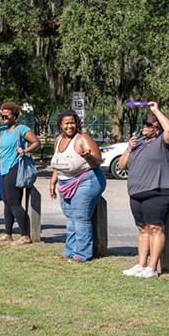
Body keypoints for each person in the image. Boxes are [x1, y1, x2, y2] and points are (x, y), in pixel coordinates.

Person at [117, 101, 169, 278]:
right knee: (142, 228)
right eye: (145, 124)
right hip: (137, 191)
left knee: (155, 227)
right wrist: (129, 149)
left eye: (150, 124)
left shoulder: (163, 141)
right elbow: (122, 165)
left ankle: (152, 267)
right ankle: (141, 264)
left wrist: (156, 110)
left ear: (157, 129)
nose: (146, 127)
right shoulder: (139, 143)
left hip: (160, 188)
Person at [48, 110, 105, 262]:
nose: (70, 126)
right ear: (60, 125)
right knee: (70, 218)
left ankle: (82, 254)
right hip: (64, 182)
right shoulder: (58, 140)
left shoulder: (82, 139)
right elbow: (57, 163)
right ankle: (70, 250)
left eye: (72, 122)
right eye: (66, 123)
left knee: (80, 218)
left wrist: (88, 156)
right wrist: (53, 182)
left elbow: (98, 162)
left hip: (86, 180)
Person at [0, 103, 40, 244]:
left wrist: (25, 150)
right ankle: (8, 234)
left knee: (14, 202)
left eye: (7, 115)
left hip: (15, 167)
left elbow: (36, 142)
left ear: (14, 116)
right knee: (6, 203)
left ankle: (25, 236)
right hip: (3, 169)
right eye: (2, 115)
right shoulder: (3, 129)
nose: (4, 117)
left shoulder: (21, 129)